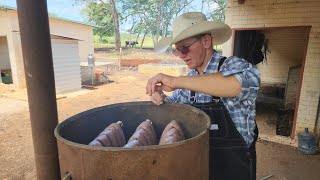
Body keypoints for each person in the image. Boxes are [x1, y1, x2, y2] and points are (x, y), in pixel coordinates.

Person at [146, 12, 260, 180]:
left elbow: (238, 85)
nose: (181, 55)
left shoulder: (233, 65)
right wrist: (159, 96)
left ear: (206, 41)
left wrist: (176, 81)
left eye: (184, 48)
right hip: (202, 163)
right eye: (177, 50)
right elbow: (173, 106)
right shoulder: (190, 79)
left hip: (234, 166)